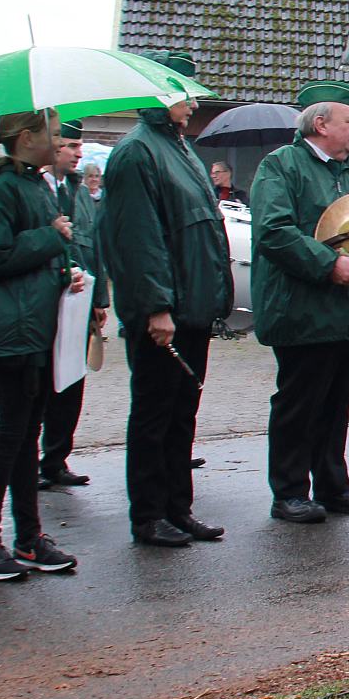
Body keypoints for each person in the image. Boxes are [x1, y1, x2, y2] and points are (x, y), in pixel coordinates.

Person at [98, 60, 232, 548]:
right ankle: (149, 515)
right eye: (183, 94)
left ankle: (179, 508)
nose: (193, 104)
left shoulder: (178, 147)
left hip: (192, 307)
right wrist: (157, 307)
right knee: (154, 416)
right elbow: (138, 239)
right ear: (157, 94)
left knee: (181, 414)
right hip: (165, 312)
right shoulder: (136, 153)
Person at [252, 81, 349, 520]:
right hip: (302, 308)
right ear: (321, 123)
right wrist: (329, 265)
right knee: (299, 403)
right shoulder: (281, 166)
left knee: (335, 402)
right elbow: (274, 232)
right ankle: (289, 491)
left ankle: (332, 485)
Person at [0, 110, 86, 580]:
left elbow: (31, 258)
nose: (60, 143)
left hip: (35, 329)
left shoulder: (34, 183)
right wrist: (50, 238)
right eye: (53, 135)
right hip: (10, 333)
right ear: (26, 137)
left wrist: (64, 274)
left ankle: (29, 537)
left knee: (25, 437)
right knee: (10, 436)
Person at [38, 121, 109, 488]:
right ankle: (32, 461)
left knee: (71, 382)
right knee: (41, 384)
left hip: (79, 300)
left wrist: (100, 300)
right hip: (43, 302)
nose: (78, 154)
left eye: (80, 146)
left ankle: (55, 458)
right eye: (71, 145)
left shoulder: (78, 191)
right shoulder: (37, 188)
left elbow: (94, 244)